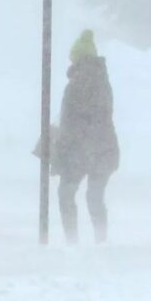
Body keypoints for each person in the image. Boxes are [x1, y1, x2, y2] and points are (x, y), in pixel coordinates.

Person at [55, 30, 120, 244]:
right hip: (105, 150)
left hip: (80, 152)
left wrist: (60, 154)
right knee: (95, 197)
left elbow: (69, 124)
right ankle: (101, 241)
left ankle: (72, 242)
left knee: (66, 194)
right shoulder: (103, 81)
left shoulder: (76, 84)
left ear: (78, 59)